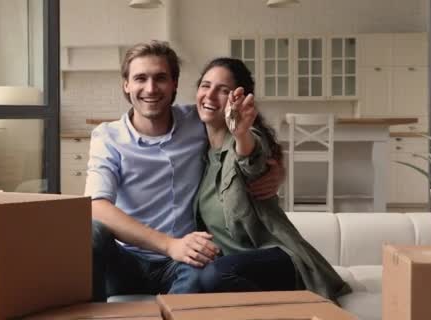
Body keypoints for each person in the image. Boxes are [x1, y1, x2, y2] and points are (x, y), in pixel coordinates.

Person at [86, 41, 285, 301]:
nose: (150, 88)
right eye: (140, 78)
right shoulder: (108, 137)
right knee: (92, 231)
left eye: (160, 78)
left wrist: (277, 168)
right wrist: (169, 245)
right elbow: (96, 206)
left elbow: (250, 133)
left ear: (175, 84)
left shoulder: (197, 120)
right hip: (127, 261)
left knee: (202, 272)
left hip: (183, 264)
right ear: (126, 85)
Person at [192, 57, 351, 301]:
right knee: (203, 277)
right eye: (205, 85)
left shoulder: (246, 137)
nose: (210, 95)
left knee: (215, 275)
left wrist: (241, 133)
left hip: (275, 257)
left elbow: (251, 158)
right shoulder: (196, 147)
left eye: (223, 90)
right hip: (235, 266)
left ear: (239, 99)